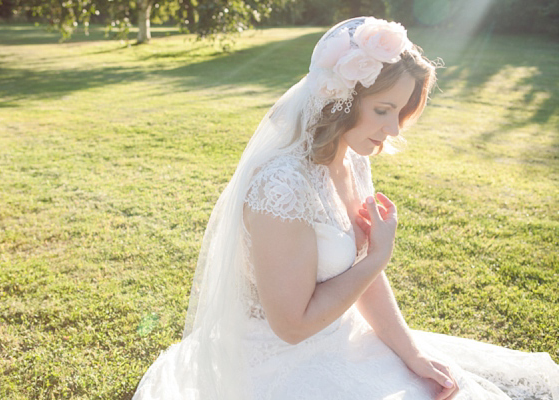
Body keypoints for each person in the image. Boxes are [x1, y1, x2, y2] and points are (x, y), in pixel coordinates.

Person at [133, 17, 559, 400]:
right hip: (278, 363)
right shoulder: (282, 185)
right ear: (342, 98)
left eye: (401, 112)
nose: (393, 129)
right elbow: (293, 326)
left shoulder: (352, 158)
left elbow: (359, 278)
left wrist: (412, 354)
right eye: (383, 110)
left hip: (344, 336)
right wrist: (377, 256)